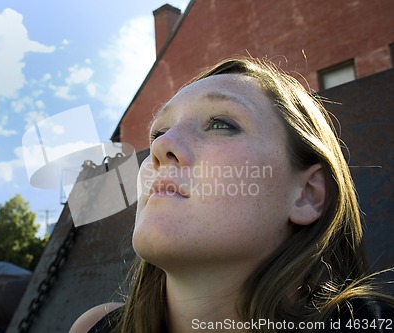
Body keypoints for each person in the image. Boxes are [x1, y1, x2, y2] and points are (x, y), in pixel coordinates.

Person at [70, 57, 394, 333]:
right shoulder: (94, 326)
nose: (159, 146)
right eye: (159, 131)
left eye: (221, 124)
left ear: (306, 195)